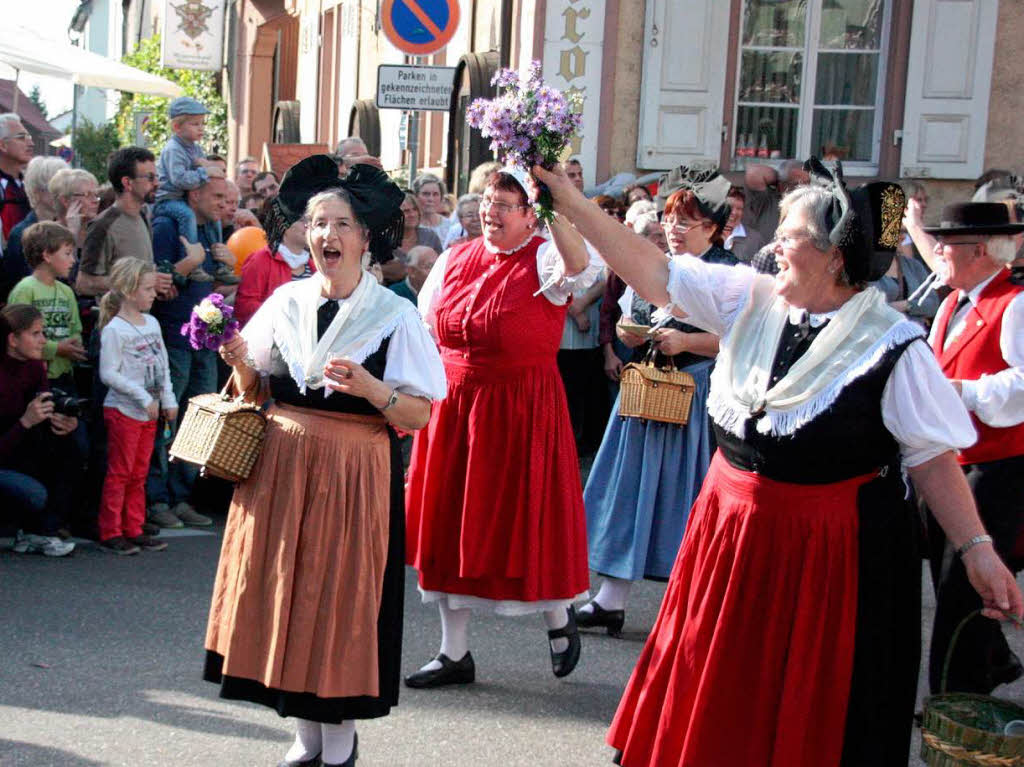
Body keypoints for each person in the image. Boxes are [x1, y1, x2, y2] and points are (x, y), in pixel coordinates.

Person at [534, 158, 1022, 766]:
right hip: (728, 538)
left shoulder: (889, 346)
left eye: (788, 236)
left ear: (833, 255)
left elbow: (930, 457)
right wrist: (568, 199)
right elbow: (653, 269)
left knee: (794, 708)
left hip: (823, 559)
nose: (773, 247)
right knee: (712, 683)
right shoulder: (751, 300)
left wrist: (977, 550)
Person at [204, 156, 445, 767]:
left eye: (340, 223)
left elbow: (417, 415)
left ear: (365, 237)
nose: (326, 235)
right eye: (317, 223)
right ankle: (304, 734)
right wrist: (236, 356)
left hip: (354, 472)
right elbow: (256, 386)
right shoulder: (286, 302)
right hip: (280, 468)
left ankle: (339, 741)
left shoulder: (394, 316)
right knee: (288, 592)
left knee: (339, 599)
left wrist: (369, 387)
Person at [404, 166, 601, 688]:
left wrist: (555, 198)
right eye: (488, 200)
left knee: (524, 518)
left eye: (506, 204)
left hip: (520, 409)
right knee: (449, 522)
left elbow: (582, 266)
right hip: (454, 407)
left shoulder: (545, 256)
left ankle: (559, 618)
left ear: (531, 214)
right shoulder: (454, 257)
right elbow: (426, 329)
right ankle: (453, 653)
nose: (490, 211)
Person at [579, 169, 737, 635]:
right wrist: (633, 334)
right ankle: (610, 597)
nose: (673, 229)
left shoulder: (729, 274)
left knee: (683, 499)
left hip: (698, 397)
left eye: (685, 222)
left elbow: (740, 341)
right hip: (647, 391)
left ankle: (689, 606)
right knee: (628, 489)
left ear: (712, 226)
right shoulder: (659, 266)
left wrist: (687, 344)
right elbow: (630, 319)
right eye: (670, 219)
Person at [922, 201, 1024, 696]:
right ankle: (992, 663)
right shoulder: (951, 302)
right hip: (950, 462)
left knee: (961, 591)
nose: (936, 250)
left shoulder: (1015, 303)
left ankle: (955, 699)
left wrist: (964, 391)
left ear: (979, 251)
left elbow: (1022, 386)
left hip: (995, 468)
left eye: (946, 244)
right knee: (950, 586)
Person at [146, 175, 232, 530]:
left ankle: (182, 496)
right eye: (217, 196)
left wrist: (227, 265)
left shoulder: (212, 228)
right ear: (194, 193)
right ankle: (158, 498)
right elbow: (163, 285)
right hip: (174, 330)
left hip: (206, 328)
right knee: (169, 417)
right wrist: (190, 264)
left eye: (227, 198)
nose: (223, 205)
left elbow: (216, 283)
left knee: (201, 416)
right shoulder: (168, 224)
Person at [96, 258, 176, 555]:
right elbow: (109, 373)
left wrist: (167, 398)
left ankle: (134, 526)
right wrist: (142, 397)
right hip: (124, 411)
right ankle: (111, 530)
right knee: (121, 471)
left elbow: (162, 365)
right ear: (129, 291)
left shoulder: (152, 323)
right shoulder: (115, 329)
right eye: (147, 289)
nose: (153, 294)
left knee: (140, 471)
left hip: (149, 411)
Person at [0, 303, 78, 557]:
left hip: (17, 453)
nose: (43, 340)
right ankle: (26, 528)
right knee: (33, 493)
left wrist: (64, 422)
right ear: (13, 339)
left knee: (71, 446)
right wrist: (25, 422)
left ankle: (41, 531)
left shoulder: (34, 366)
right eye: (35, 334)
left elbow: (43, 413)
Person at [153, 97, 234, 284]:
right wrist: (204, 171)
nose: (201, 128)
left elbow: (203, 166)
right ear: (177, 127)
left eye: (202, 124)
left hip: (181, 197)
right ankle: (195, 265)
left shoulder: (195, 148)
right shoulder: (173, 149)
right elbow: (179, 179)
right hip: (168, 199)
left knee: (214, 220)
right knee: (187, 216)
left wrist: (208, 167)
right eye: (195, 124)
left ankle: (219, 262)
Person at [77, 147, 172, 298]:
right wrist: (141, 283)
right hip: (115, 319)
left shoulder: (143, 216)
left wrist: (157, 281)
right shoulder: (103, 225)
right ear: (127, 182)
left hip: (141, 319)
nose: (157, 183)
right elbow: (84, 283)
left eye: (157, 177)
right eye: (150, 177)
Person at [8, 222, 86, 389]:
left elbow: (75, 327)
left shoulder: (66, 291)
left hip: (64, 372)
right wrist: (56, 348)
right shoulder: (25, 290)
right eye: (67, 254)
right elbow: (18, 335)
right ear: (47, 256)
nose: (73, 260)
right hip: (33, 375)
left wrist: (75, 345)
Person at [235, 193, 313, 327]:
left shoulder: (313, 264)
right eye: (301, 220)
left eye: (310, 219)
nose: (308, 225)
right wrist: (284, 315)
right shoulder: (260, 260)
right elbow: (244, 308)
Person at [1, 156, 67, 300]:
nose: (62, 193)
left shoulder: (70, 226)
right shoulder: (22, 234)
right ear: (37, 192)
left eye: (65, 187)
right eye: (55, 188)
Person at [742, 158, 809, 246]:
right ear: (781, 186)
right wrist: (779, 176)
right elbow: (753, 172)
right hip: (760, 257)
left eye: (807, 183)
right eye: (798, 185)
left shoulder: (810, 205)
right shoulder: (766, 201)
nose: (804, 189)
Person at [0, 113, 34, 242]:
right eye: (21, 137)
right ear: (3, 145)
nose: (31, 143)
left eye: (29, 137)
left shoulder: (31, 185)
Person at [411, 173, 452, 242]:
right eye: (426, 194)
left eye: (435, 194)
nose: (431, 199)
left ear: (441, 197)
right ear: (416, 196)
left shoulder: (450, 226)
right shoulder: (410, 227)